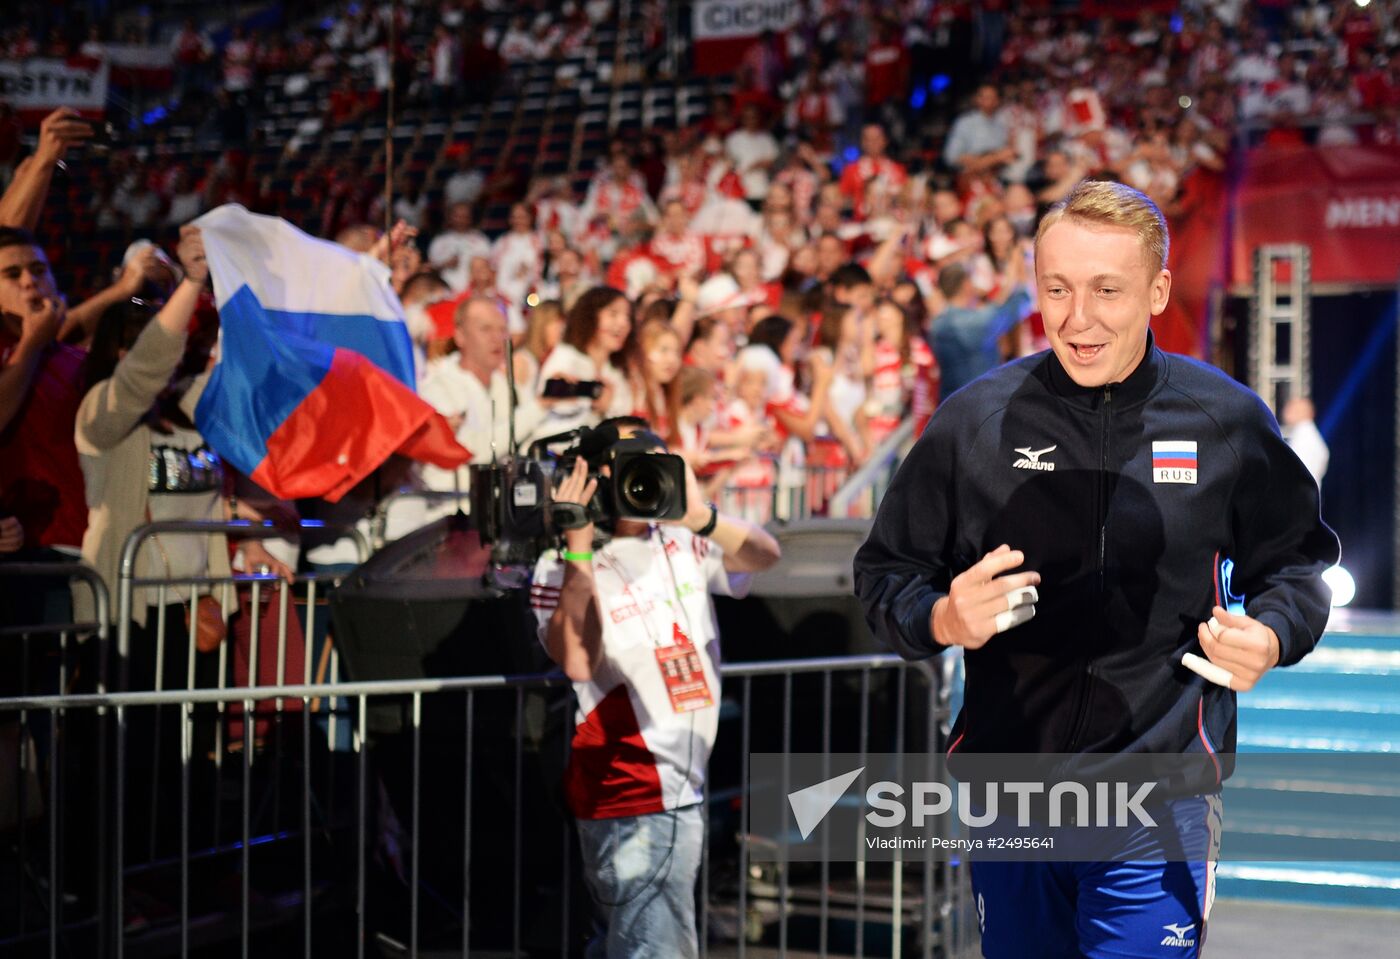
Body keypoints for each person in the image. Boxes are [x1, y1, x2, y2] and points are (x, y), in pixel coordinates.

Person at [853, 180, 1339, 959]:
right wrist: (942, 616)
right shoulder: (970, 422)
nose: (1078, 320)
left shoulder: (1226, 420)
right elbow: (884, 577)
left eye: (1107, 290)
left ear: (1157, 290)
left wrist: (1275, 634)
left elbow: (1299, 566)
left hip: (1160, 798)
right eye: (1057, 289)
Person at [532, 418, 781, 959]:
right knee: (656, 948)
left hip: (679, 785)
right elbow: (577, 661)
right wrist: (577, 550)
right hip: (631, 783)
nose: (636, 477)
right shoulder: (560, 566)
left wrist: (700, 515)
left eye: (650, 461)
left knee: (631, 942)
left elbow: (765, 555)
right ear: (592, 477)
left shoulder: (687, 539)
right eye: (622, 466)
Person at [529, 286, 634, 443]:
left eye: (628, 317)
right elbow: (551, 415)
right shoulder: (565, 358)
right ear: (590, 316)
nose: (623, 323)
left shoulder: (616, 371)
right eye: (613, 314)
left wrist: (606, 409)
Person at [928, 256, 1031, 401]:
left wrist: (1008, 284)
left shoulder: (938, 322)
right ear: (966, 285)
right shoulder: (969, 323)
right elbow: (1020, 304)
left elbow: (992, 311)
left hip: (952, 405)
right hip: (977, 407)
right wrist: (1018, 275)